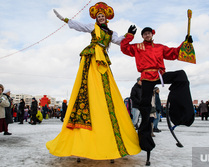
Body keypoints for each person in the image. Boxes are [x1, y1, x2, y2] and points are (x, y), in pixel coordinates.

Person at [46, 2, 141, 161]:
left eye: (102, 16)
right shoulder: (92, 27)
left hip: (102, 57)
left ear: (106, 18)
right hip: (93, 56)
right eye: (99, 16)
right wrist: (65, 19)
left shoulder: (111, 32)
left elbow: (118, 41)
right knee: (88, 83)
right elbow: (79, 26)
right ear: (96, 18)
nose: (101, 18)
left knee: (106, 87)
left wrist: (129, 35)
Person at [120, 26, 195, 165]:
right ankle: (145, 140)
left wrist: (186, 43)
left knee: (181, 76)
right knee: (145, 107)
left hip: (160, 75)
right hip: (147, 77)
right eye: (144, 34)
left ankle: (180, 112)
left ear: (152, 34)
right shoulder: (138, 46)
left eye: (148, 33)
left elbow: (174, 53)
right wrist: (130, 35)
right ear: (142, 36)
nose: (147, 35)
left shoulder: (159, 47)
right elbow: (124, 48)